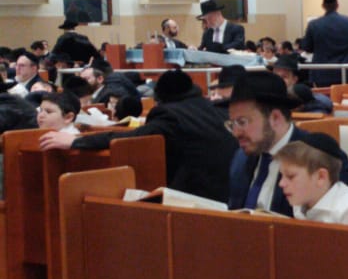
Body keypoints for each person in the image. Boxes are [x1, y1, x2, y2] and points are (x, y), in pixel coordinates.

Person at [48, 69, 239, 203]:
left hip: (197, 197)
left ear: (160, 97)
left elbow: (132, 138)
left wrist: (76, 141)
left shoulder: (170, 115)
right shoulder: (213, 109)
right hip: (230, 192)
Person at [224, 73, 348, 216]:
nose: (236, 133)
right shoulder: (241, 158)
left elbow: (340, 223)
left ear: (275, 118)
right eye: (232, 124)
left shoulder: (320, 158)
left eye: (242, 122)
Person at [278, 135, 348, 226]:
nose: (281, 183)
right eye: (282, 175)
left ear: (321, 177)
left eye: (290, 176)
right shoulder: (302, 202)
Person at [303, 0, 348, 85]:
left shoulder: (313, 25)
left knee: (323, 94)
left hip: (322, 72)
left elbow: (307, 48)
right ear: (337, 5)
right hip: (346, 70)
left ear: (323, 6)